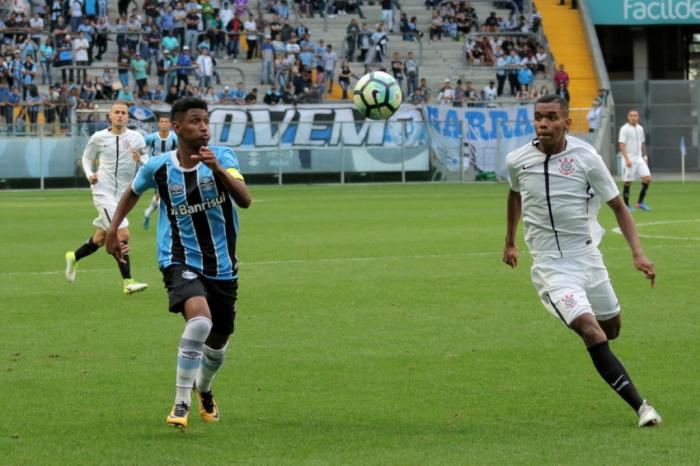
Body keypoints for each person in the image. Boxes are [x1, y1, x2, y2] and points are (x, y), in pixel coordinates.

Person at [503, 94, 662, 428]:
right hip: (550, 266)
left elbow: (618, 205)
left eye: (550, 117)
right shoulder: (517, 160)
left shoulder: (586, 158)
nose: (543, 124)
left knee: (611, 328)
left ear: (566, 122)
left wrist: (638, 252)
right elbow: (515, 194)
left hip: (588, 258)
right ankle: (642, 408)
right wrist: (510, 242)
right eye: (538, 117)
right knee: (592, 331)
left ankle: (595, 339)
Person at [104, 97, 253, 428]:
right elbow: (132, 191)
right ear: (177, 128)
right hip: (177, 257)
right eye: (196, 121)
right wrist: (113, 230)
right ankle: (181, 403)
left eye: (206, 121)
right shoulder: (159, 167)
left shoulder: (224, 157)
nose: (203, 127)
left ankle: (205, 387)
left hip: (223, 265)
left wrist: (216, 169)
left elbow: (245, 199)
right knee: (200, 322)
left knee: (219, 339)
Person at [64, 102, 149, 294]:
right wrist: (90, 175)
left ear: (128, 117)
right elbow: (86, 158)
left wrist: (141, 160)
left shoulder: (136, 138)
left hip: (124, 194)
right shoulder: (99, 137)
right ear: (109, 116)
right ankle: (128, 281)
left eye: (124, 113)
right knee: (122, 234)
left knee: (100, 238)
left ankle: (73, 257)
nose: (120, 115)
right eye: (116, 112)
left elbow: (147, 160)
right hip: (103, 190)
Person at [142, 115, 180, 229]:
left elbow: (181, 150)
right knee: (164, 194)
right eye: (162, 121)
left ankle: (147, 213)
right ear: (159, 124)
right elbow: (141, 148)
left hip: (171, 169)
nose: (164, 124)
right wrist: (145, 161)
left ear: (170, 124)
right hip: (156, 170)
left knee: (162, 195)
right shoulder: (151, 137)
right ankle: (166, 222)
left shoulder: (174, 138)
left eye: (166, 122)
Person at [618, 109, 651, 212]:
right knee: (628, 182)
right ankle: (626, 205)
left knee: (647, 178)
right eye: (631, 116)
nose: (633, 117)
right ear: (628, 117)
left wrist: (645, 157)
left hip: (639, 158)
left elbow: (642, 143)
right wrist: (627, 159)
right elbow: (621, 145)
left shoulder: (640, 128)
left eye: (635, 115)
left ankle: (640, 202)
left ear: (638, 117)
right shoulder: (624, 129)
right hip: (629, 159)